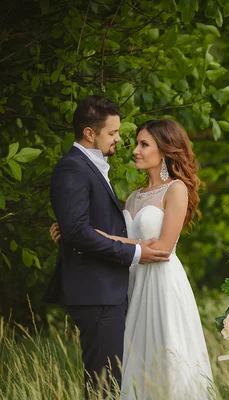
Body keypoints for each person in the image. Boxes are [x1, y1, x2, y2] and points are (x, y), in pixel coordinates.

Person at [51, 118, 214, 399]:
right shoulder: (134, 197)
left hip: (162, 285)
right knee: (133, 361)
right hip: (131, 284)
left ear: (164, 150)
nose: (135, 150)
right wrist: (70, 231)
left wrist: (103, 236)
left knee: (165, 357)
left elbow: (162, 248)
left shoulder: (176, 189)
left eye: (144, 144)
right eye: (137, 143)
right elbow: (109, 235)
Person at [44, 95, 172, 398]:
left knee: (112, 380)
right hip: (95, 291)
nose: (119, 139)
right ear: (90, 133)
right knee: (103, 385)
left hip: (109, 289)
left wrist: (73, 230)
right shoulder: (73, 168)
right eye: (113, 133)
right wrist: (136, 252)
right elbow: (77, 231)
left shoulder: (92, 166)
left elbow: (83, 227)